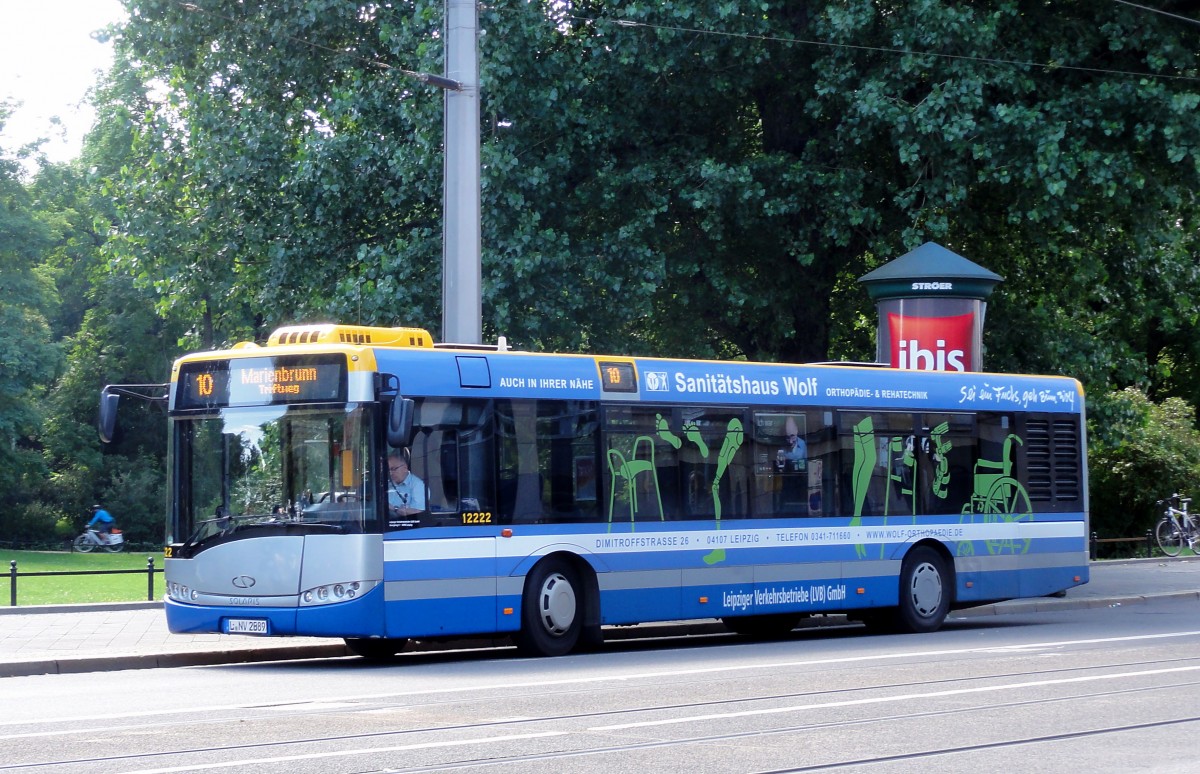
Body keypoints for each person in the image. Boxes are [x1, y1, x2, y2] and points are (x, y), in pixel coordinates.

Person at [387, 451, 426, 517]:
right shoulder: (388, 484)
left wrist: (395, 509)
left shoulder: (418, 485)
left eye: (393, 469)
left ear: (405, 468)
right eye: (389, 470)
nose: (390, 473)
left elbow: (419, 511)